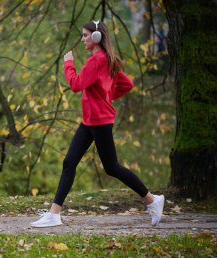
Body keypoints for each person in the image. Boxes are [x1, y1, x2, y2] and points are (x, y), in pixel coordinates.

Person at [30, 20, 165, 228]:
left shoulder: (96, 61)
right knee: (69, 162)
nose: (82, 39)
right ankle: (54, 214)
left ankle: (151, 200)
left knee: (111, 167)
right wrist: (107, 96)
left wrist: (68, 63)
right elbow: (126, 84)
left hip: (99, 121)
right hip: (90, 120)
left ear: (96, 37)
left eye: (85, 35)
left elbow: (75, 85)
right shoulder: (107, 59)